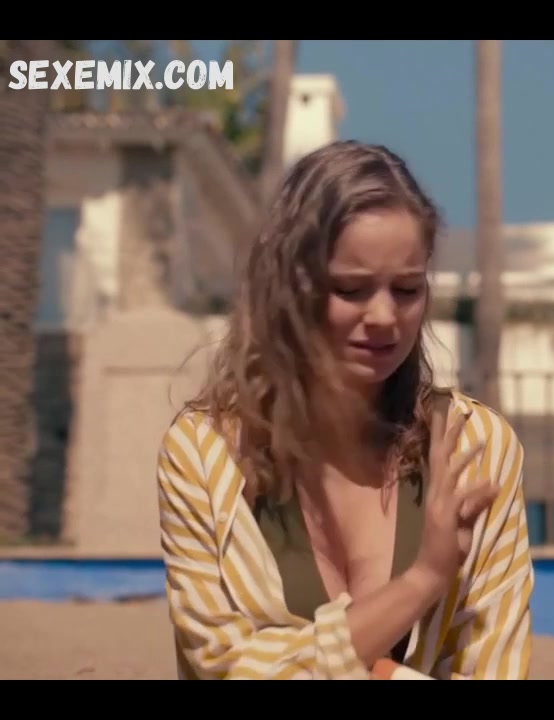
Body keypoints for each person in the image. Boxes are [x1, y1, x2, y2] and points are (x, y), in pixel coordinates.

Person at [154, 141, 533, 680]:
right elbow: (225, 666)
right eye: (351, 290)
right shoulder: (205, 454)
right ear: (288, 288)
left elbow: (494, 667)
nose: (383, 317)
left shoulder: (475, 449)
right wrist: (422, 581)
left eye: (407, 289)